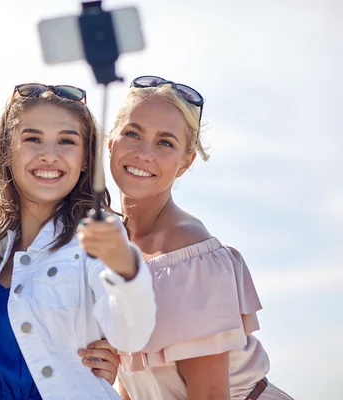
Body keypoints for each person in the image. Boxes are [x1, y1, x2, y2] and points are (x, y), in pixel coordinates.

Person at [0, 83, 157, 399]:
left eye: (66, 141)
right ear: (6, 151)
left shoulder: (97, 236)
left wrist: (126, 269)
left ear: (85, 158)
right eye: (33, 139)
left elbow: (130, 333)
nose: (49, 155)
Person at [105, 76, 293, 400]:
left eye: (165, 142)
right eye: (132, 133)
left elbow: (209, 395)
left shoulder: (190, 256)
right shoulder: (106, 241)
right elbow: (133, 382)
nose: (144, 153)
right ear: (111, 141)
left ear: (185, 162)